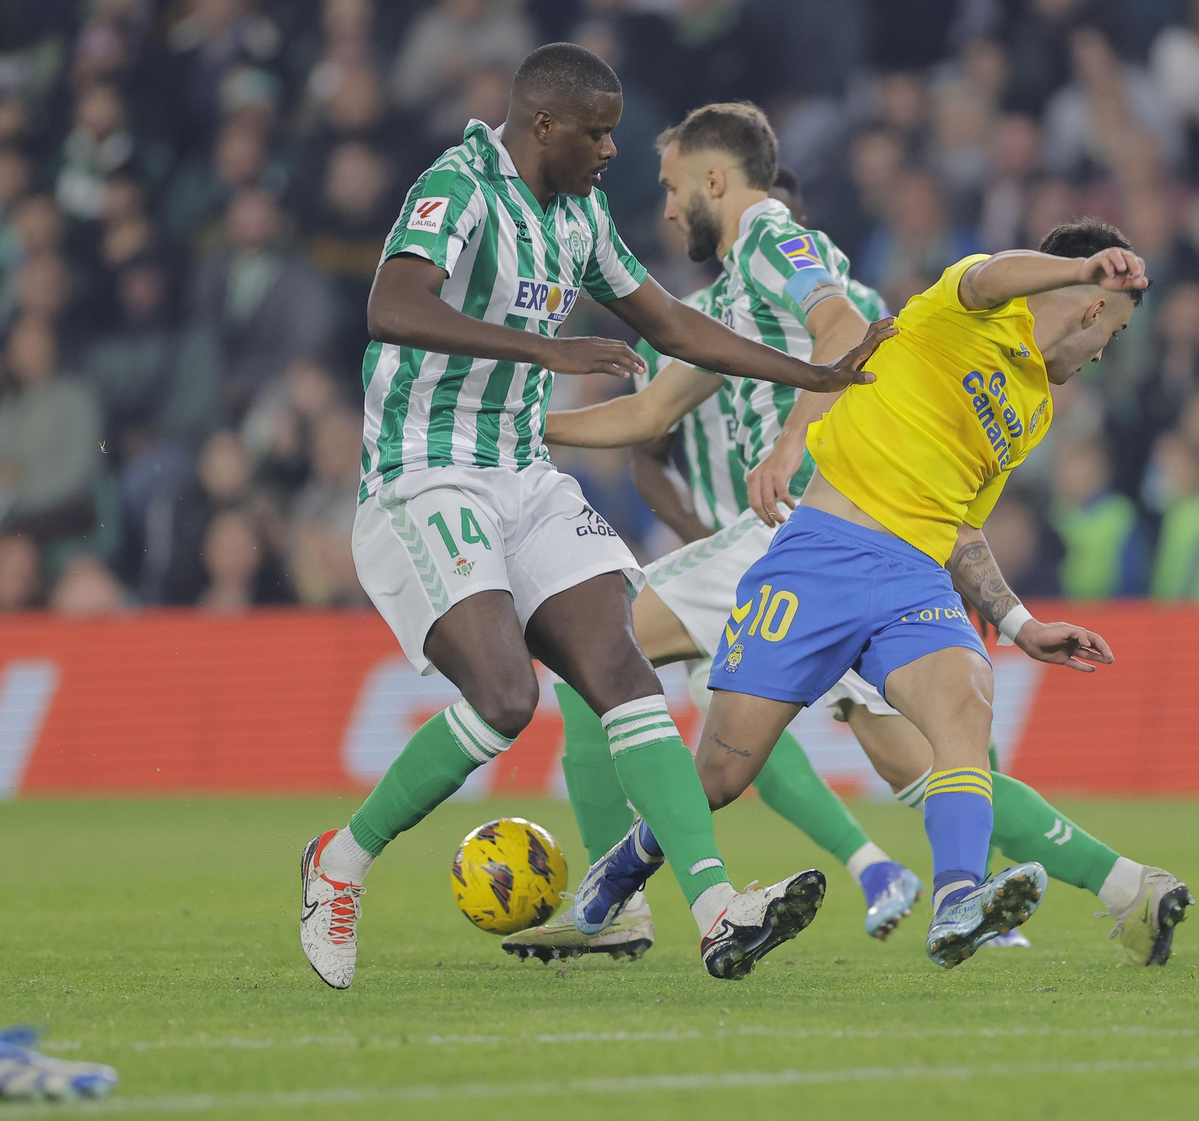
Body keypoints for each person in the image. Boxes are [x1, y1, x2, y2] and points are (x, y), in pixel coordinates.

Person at [298, 44, 888, 990]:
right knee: (505, 700)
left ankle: (714, 910)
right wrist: (547, 348)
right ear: (542, 126)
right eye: (599, 132)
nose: (613, 150)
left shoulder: (577, 214)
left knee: (621, 667)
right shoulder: (458, 185)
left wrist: (815, 375)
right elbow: (392, 306)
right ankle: (340, 861)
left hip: (522, 471)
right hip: (426, 470)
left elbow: (671, 326)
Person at [576, 214, 1195, 969]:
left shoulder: (1032, 409)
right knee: (722, 775)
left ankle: (960, 898)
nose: (1107, 351)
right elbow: (994, 271)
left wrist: (1020, 620)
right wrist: (1083, 267)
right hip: (815, 558)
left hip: (912, 580)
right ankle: (623, 864)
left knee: (965, 704)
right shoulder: (968, 306)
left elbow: (962, 527)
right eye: (1116, 331)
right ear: (1095, 304)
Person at [502, 113, 921, 963]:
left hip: (794, 528)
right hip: (828, 534)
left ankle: (616, 901)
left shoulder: (769, 233)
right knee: (891, 752)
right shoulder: (730, 295)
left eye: (669, 188)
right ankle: (1105, 880)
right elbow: (650, 413)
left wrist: (789, 440)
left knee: (593, 649)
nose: (664, 209)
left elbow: (843, 331)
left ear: (715, 182)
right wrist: (521, 428)